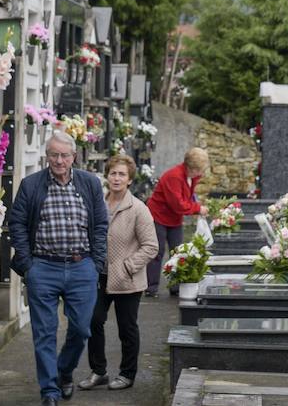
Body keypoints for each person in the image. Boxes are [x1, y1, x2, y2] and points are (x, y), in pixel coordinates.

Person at [8, 131, 109, 406]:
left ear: (74, 156)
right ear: (47, 156)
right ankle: (49, 391)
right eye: (54, 155)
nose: (59, 161)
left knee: (82, 328)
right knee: (44, 332)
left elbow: (100, 225)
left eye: (64, 155)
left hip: (82, 267)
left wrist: (96, 264)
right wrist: (29, 266)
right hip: (43, 267)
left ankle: (64, 370)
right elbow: (16, 223)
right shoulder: (31, 185)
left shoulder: (89, 183)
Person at [78, 154, 158, 392]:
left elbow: (151, 246)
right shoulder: (97, 204)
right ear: (107, 176)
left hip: (127, 279)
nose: (117, 178)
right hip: (99, 276)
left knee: (127, 328)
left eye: (122, 174)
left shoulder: (139, 209)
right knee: (92, 321)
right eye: (113, 173)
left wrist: (127, 266)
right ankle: (99, 371)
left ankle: (127, 374)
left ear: (130, 179)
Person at [144, 147, 210, 297]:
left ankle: (176, 286)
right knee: (157, 252)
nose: (201, 174)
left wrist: (194, 205)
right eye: (200, 170)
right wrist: (198, 208)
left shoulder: (191, 177)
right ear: (191, 168)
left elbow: (188, 197)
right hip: (158, 216)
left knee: (178, 252)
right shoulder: (174, 176)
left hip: (174, 218)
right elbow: (178, 204)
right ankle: (151, 287)